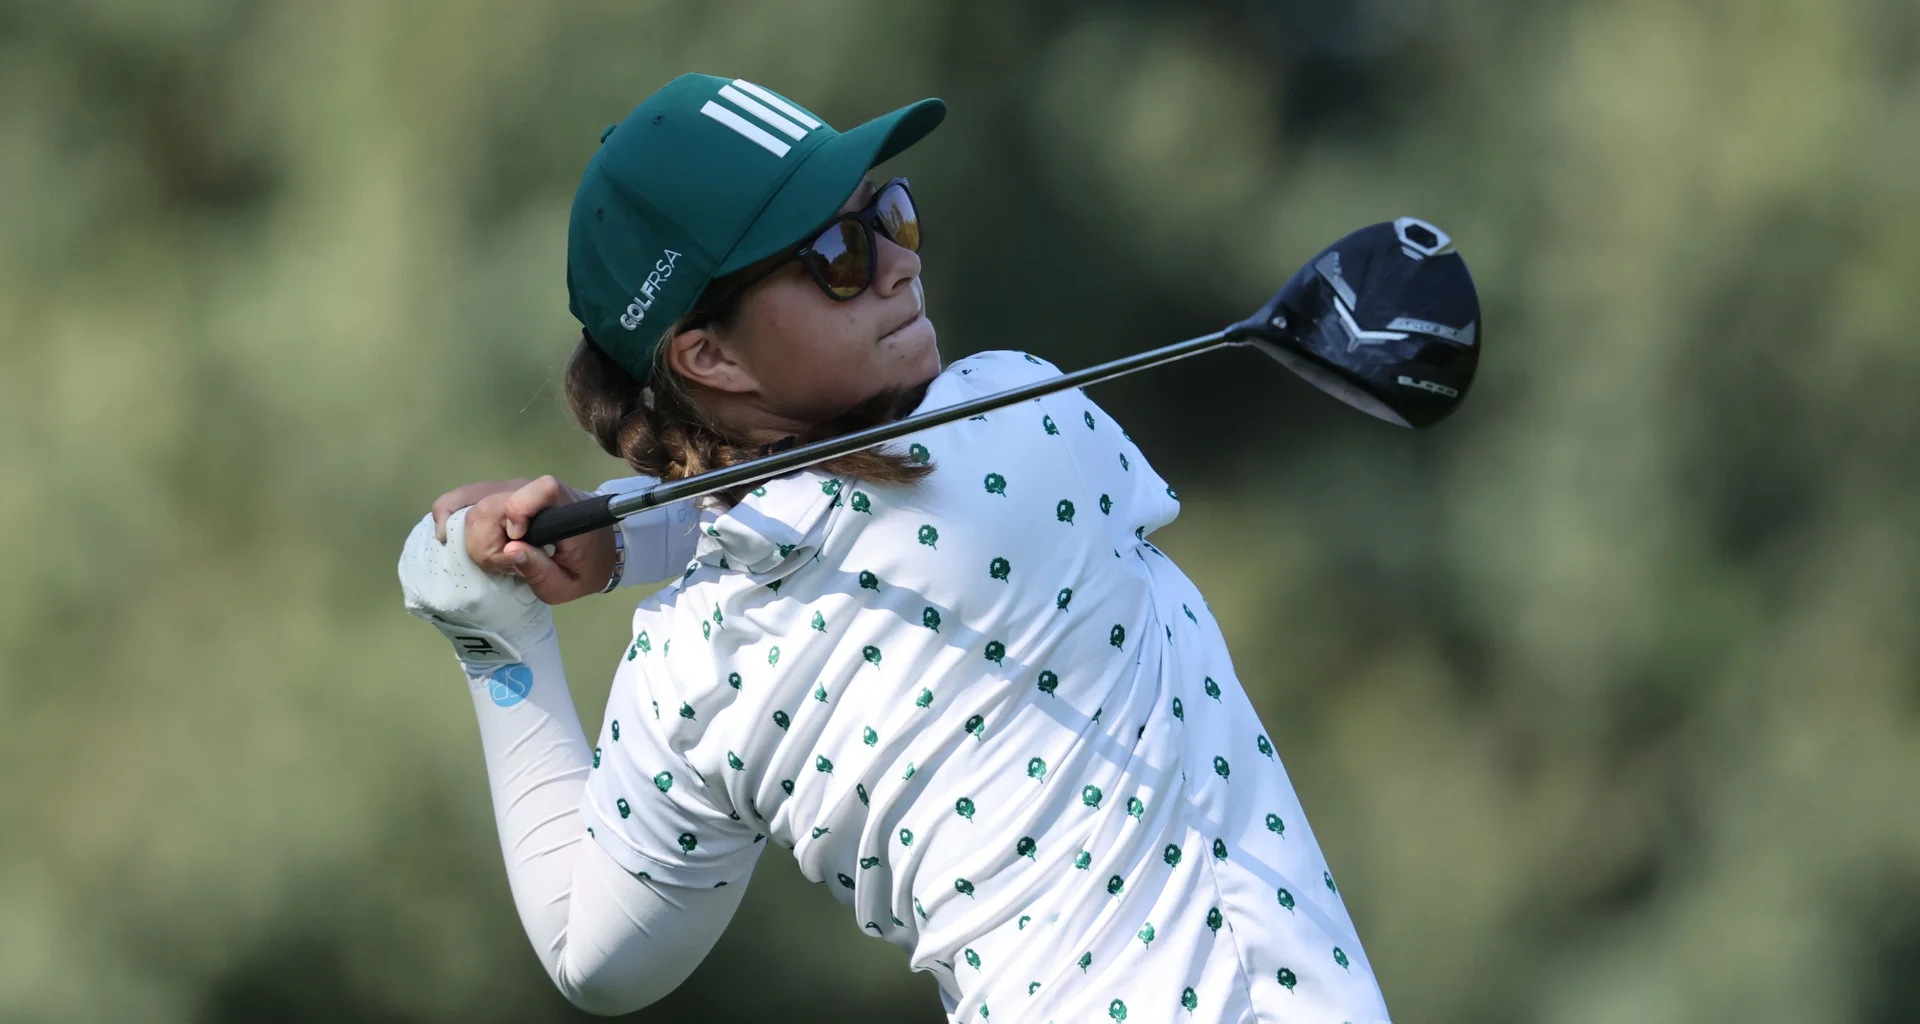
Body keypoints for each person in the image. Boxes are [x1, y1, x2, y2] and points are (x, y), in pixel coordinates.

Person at [397, 73, 1392, 1023]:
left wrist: (501, 633)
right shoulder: (1025, 432)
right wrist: (627, 531)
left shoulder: (685, 675)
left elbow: (593, 953)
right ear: (710, 354)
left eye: (889, 214)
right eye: (836, 252)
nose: (899, 260)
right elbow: (858, 504)